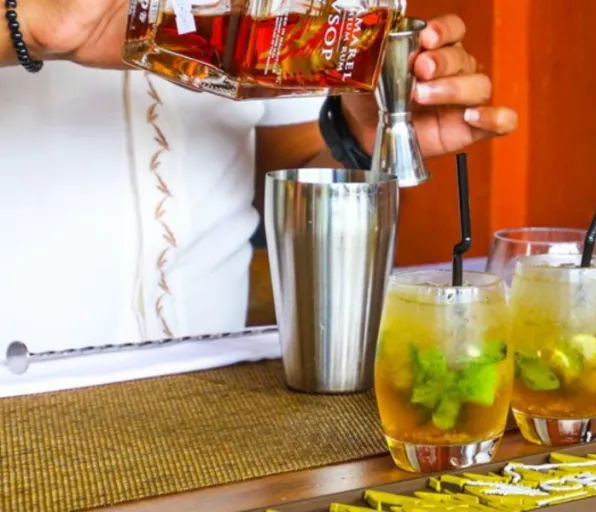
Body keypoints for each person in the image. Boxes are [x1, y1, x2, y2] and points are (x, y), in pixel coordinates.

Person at [0, 3, 518, 352]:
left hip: (210, 385)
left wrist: (358, 141)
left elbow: (293, 161)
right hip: (20, 392)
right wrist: (22, 25)